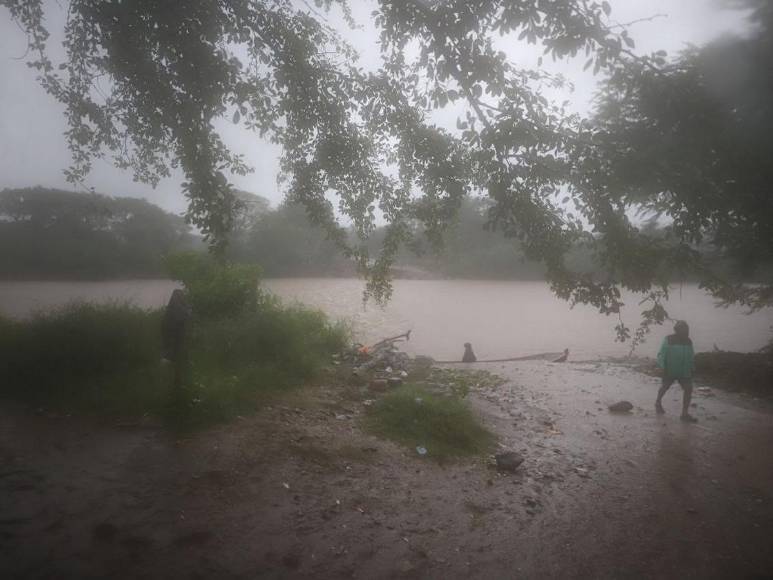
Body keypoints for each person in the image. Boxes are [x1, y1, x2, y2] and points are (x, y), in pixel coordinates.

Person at [656, 320, 697, 423]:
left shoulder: (688, 341)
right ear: (677, 330)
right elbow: (661, 354)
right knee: (664, 387)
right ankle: (658, 402)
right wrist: (661, 366)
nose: (686, 332)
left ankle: (684, 413)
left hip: (684, 371)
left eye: (687, 329)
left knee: (688, 389)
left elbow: (691, 355)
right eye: (683, 330)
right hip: (670, 369)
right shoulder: (668, 339)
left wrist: (692, 367)